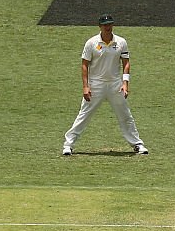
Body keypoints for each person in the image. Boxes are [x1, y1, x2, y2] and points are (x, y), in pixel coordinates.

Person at [62, 13, 147, 156]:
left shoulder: (121, 42)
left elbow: (126, 63)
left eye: (110, 24)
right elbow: (84, 65)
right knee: (84, 115)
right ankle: (68, 145)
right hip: (96, 85)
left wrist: (125, 83)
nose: (108, 27)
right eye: (105, 25)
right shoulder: (91, 43)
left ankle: (137, 144)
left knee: (125, 115)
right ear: (100, 26)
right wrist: (85, 86)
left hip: (115, 85)